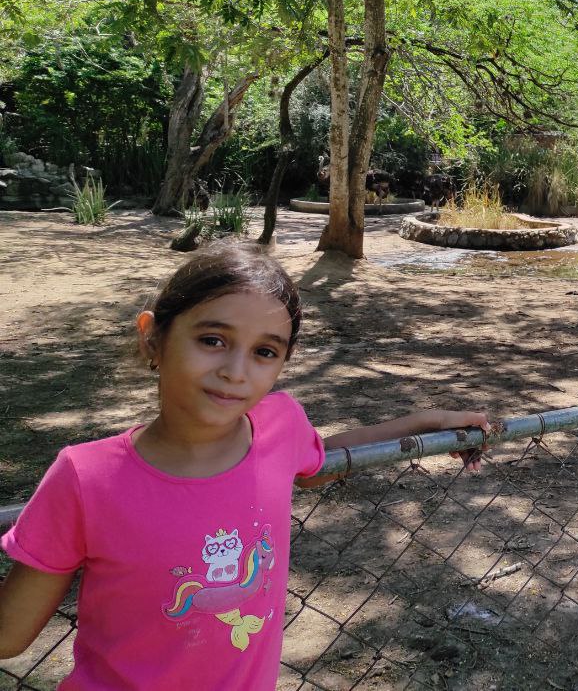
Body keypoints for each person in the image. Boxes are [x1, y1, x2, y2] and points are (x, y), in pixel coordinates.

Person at [0, 243, 489, 687]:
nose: (236, 372)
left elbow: (328, 459)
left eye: (264, 352)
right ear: (152, 338)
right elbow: (9, 636)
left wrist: (427, 423)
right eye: (213, 339)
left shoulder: (281, 424)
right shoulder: (85, 478)